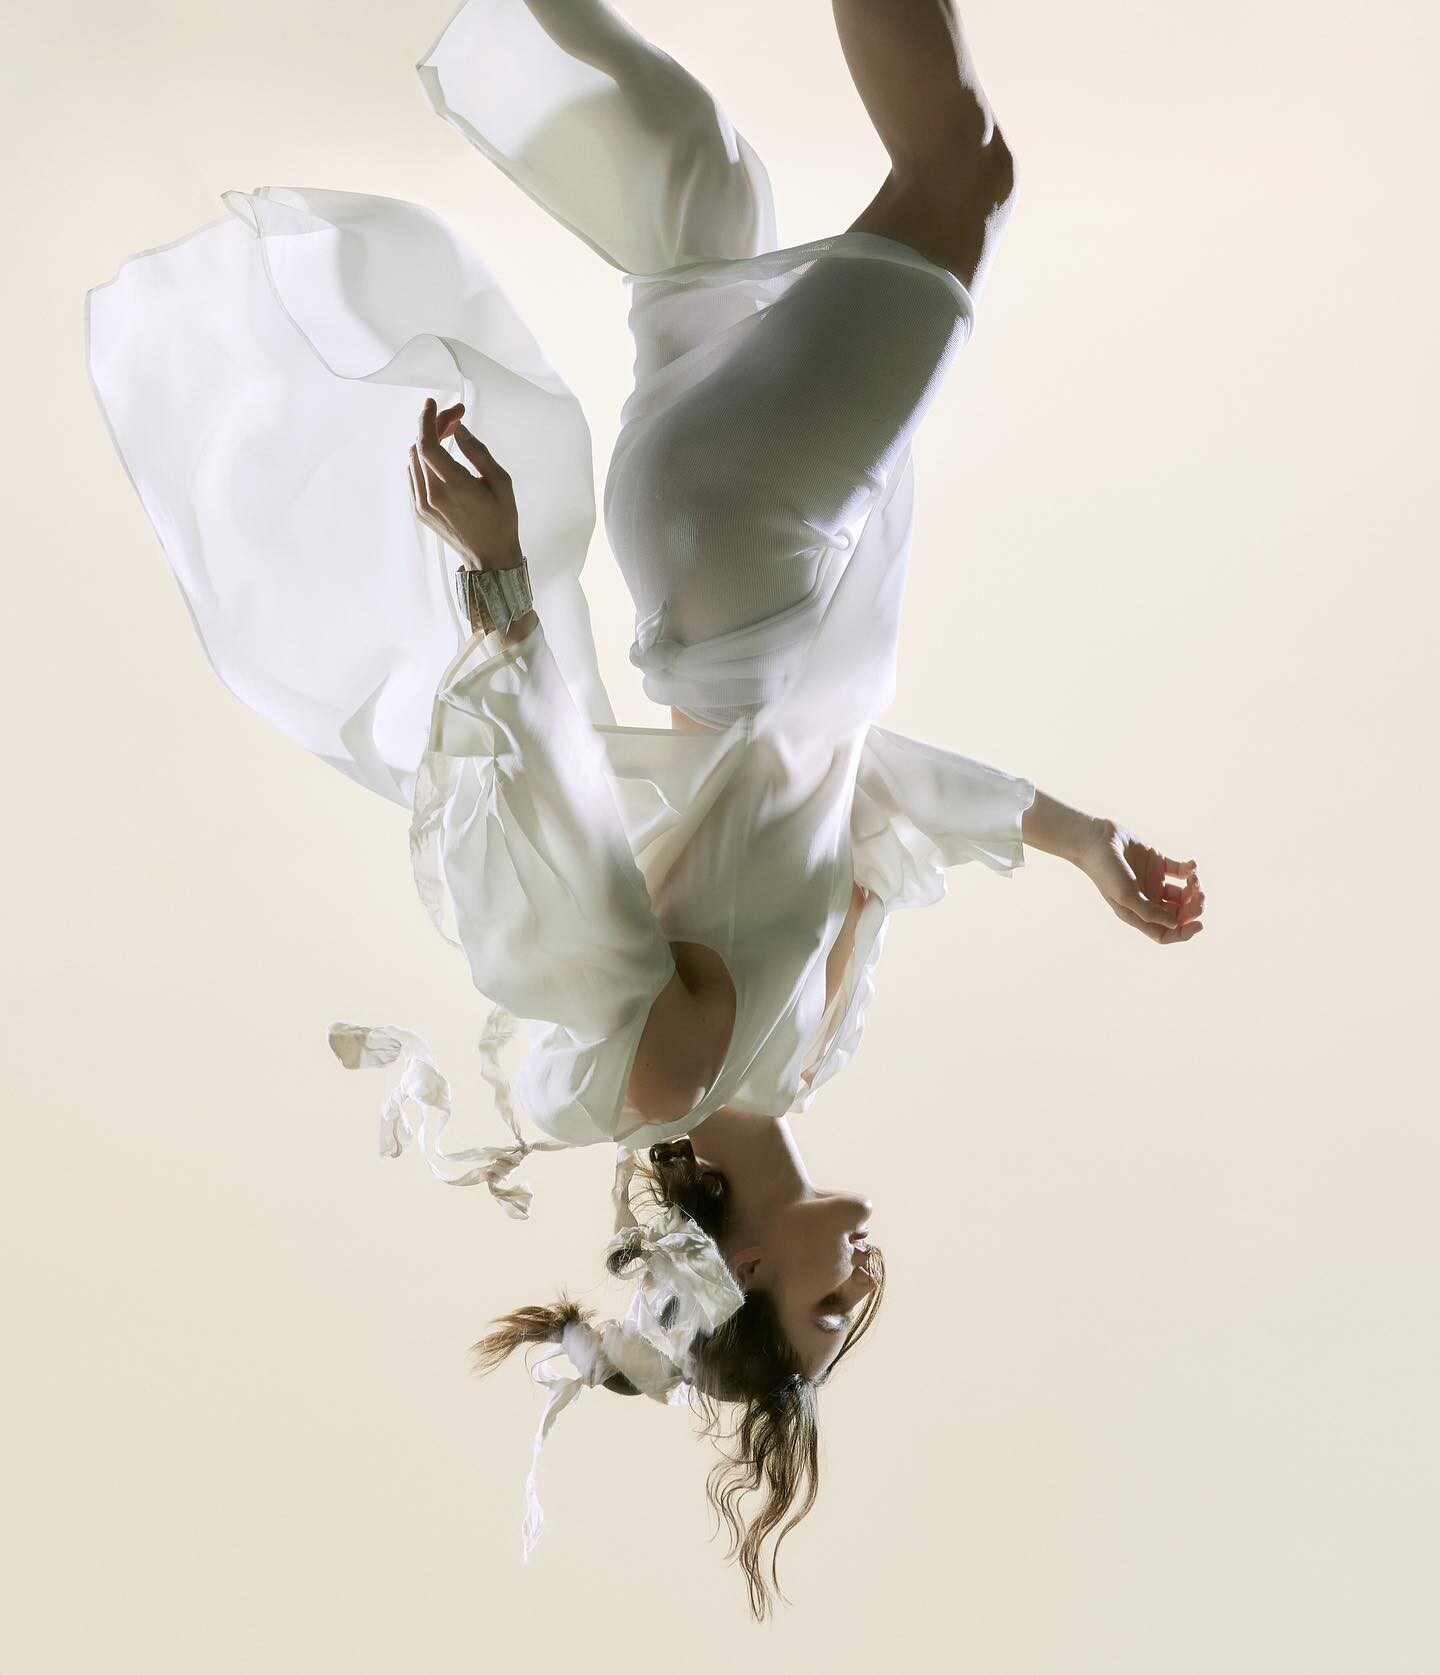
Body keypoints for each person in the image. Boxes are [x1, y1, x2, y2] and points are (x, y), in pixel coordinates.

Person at [84, 0, 1205, 1619]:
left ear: (741, 1270)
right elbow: (852, 781)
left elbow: (557, 849)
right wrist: (1084, 844)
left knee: (958, 178)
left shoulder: (671, 1071)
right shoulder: (804, 1051)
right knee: (715, 196)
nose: (859, 1291)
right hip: (729, 560)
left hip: (750, 554)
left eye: (824, 1317)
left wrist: (497, 581)